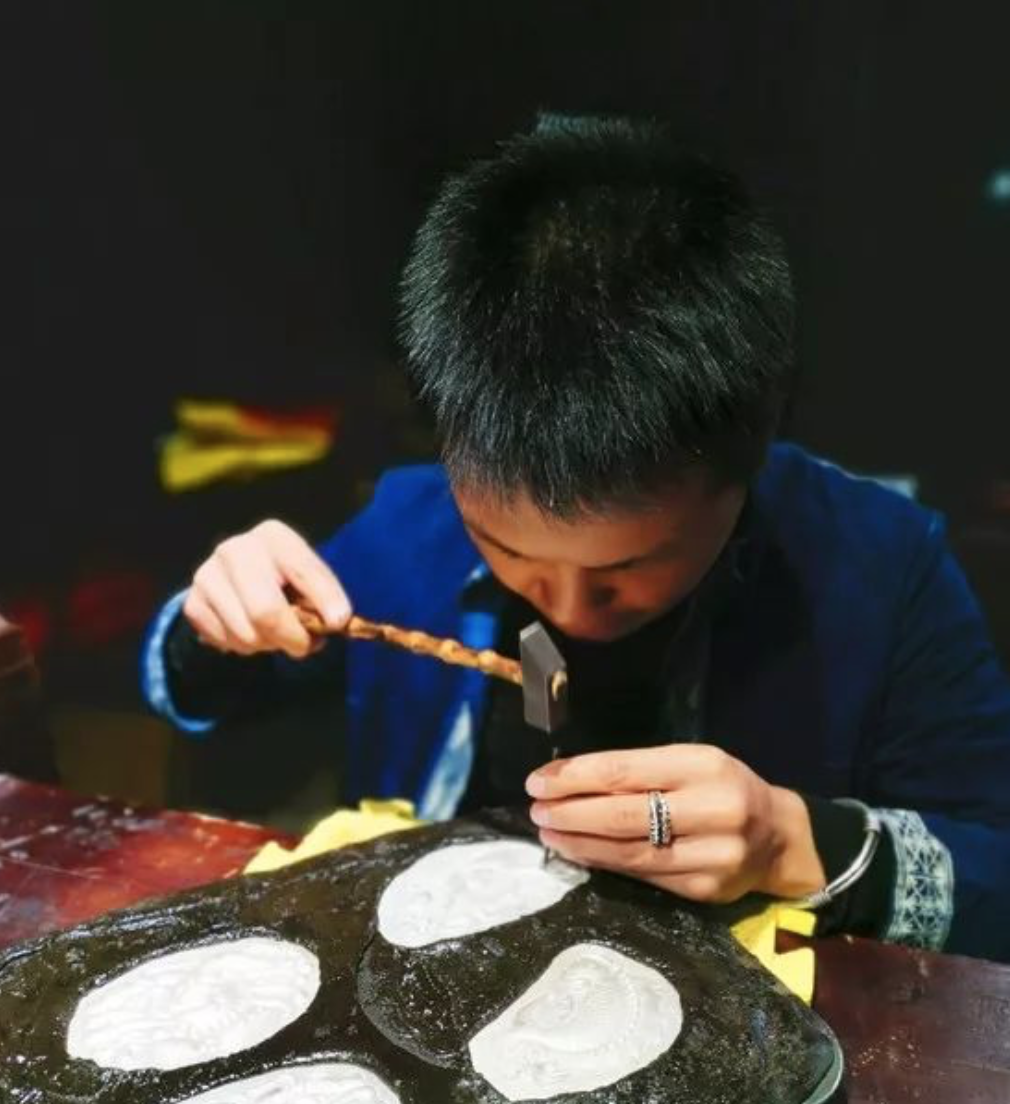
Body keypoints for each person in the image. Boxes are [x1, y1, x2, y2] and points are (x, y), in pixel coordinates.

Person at [142, 114, 1010, 961]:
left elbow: (996, 884)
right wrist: (217, 616)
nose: (566, 607)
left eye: (629, 568)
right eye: (507, 551)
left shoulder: (881, 567)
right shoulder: (408, 527)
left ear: (747, 461)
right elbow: (216, 696)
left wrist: (793, 840)